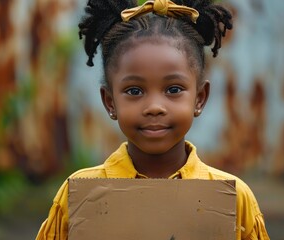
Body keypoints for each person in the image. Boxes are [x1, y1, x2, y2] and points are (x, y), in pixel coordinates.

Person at [36, 0, 270, 239]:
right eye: (135, 91)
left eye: (174, 89)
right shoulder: (80, 195)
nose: (155, 107)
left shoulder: (234, 199)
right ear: (110, 102)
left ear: (200, 98)